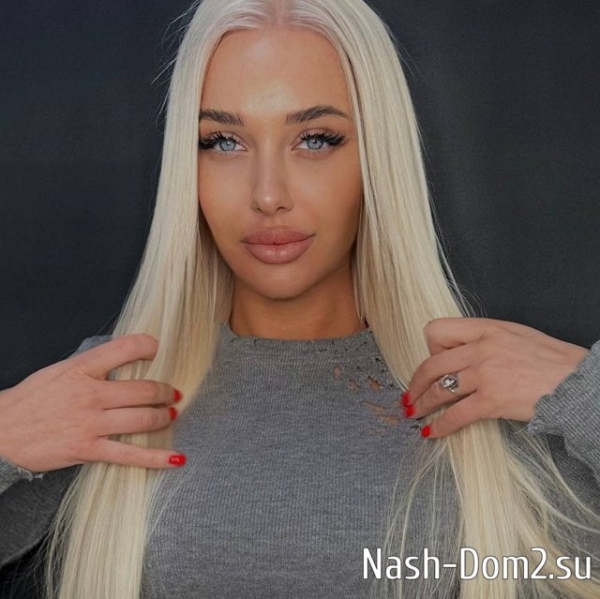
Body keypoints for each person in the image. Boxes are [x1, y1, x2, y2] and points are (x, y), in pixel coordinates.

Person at [1, 0, 600, 597]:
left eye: (315, 139)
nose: (268, 195)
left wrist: (586, 395)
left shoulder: (488, 394)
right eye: (223, 142)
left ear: (378, 157)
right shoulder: (108, 395)